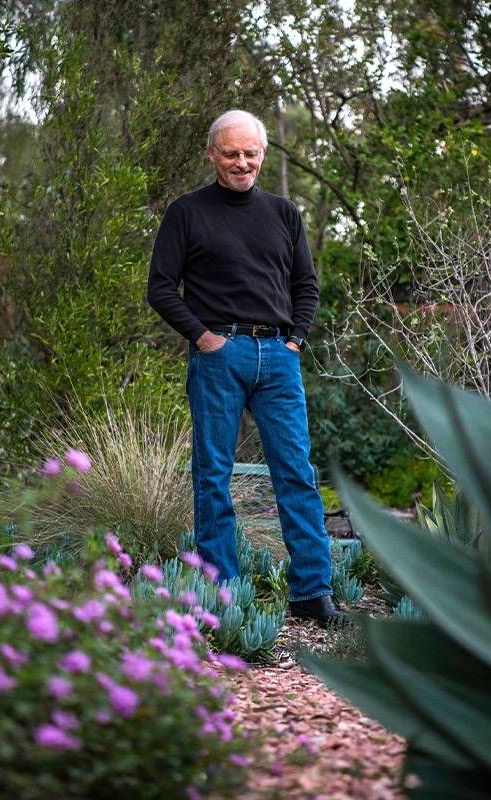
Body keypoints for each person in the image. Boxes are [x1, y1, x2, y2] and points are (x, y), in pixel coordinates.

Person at [147, 109, 345, 626]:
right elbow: (161, 288)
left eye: (250, 153)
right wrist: (203, 337)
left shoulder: (284, 214)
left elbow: (306, 285)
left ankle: (312, 593)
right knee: (213, 475)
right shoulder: (186, 213)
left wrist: (296, 341)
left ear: (263, 154)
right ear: (212, 154)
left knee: (297, 474)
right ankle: (224, 596)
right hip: (220, 354)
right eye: (231, 153)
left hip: (278, 356)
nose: (242, 162)